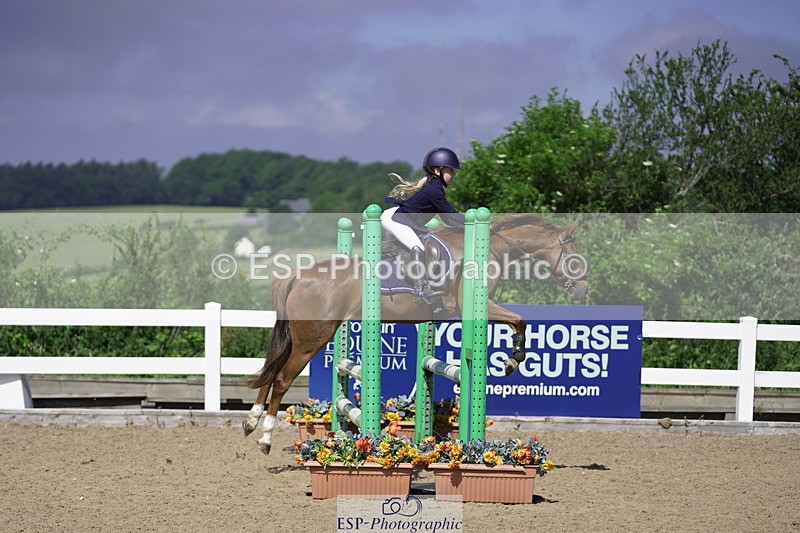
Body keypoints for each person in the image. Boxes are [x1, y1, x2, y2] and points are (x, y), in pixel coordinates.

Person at [382, 147, 466, 313]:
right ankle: (420, 288)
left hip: (402, 218)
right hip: (395, 219)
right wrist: (475, 220)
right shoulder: (434, 190)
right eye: (450, 170)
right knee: (417, 247)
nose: (454, 174)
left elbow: (448, 219)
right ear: (437, 170)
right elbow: (452, 215)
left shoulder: (435, 187)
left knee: (420, 244)